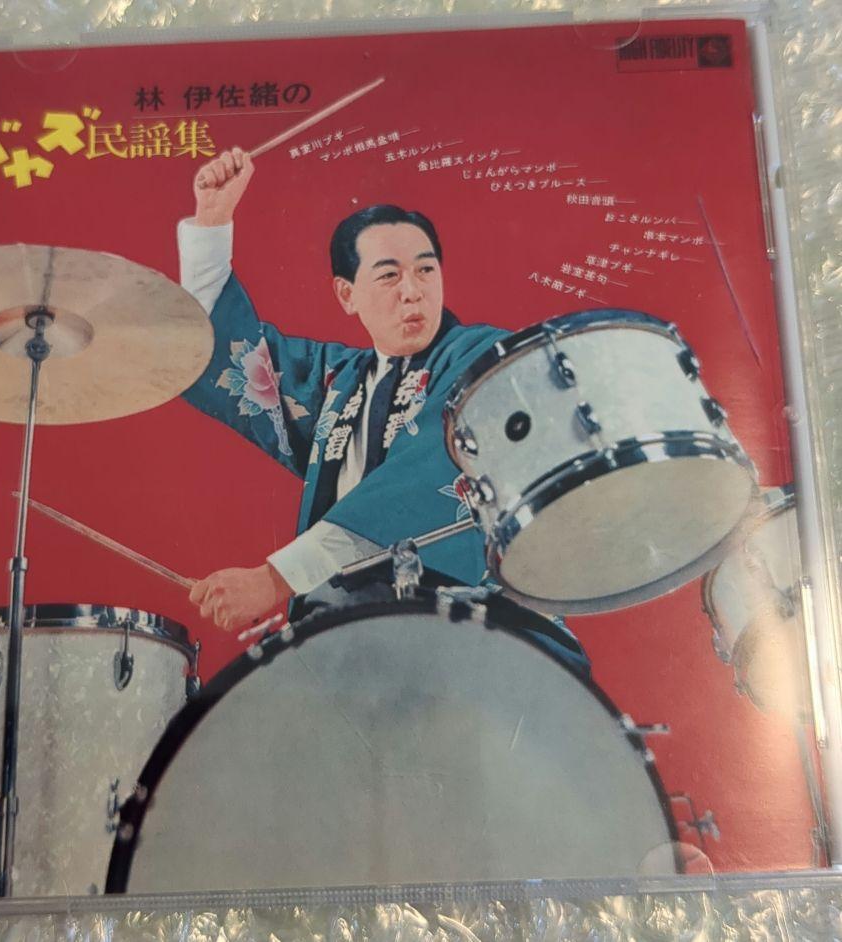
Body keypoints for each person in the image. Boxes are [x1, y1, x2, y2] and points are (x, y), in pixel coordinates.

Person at [178, 147, 587, 674]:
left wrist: (275, 579)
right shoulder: (338, 382)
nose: (412, 292)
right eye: (389, 276)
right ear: (346, 294)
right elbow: (225, 348)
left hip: (481, 629)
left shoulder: (484, 358)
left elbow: (427, 477)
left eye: (426, 270)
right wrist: (212, 223)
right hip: (351, 635)